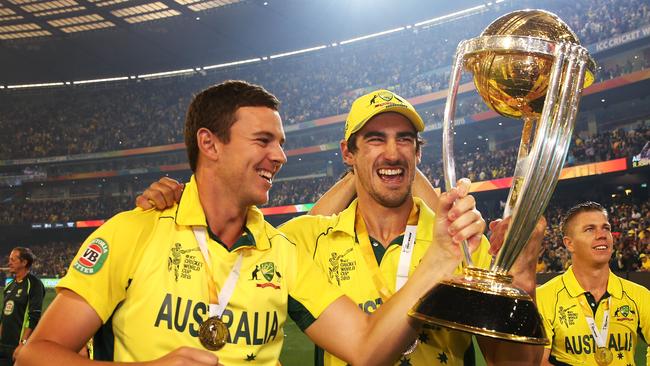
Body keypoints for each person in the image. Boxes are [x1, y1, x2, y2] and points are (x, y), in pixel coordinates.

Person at [19, 81, 484, 366]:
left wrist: (439, 257)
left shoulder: (283, 252)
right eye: (263, 140)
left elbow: (365, 349)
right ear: (211, 143)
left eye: (280, 142)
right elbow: (34, 354)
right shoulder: (133, 231)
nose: (280, 155)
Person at [137, 89, 544, 365]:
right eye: (374, 139)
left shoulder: (461, 243)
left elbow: (512, 363)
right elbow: (226, 229)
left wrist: (523, 281)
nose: (393, 152)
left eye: (405, 140)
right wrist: (179, 196)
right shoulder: (305, 240)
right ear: (347, 153)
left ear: (418, 153)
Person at [536, 202, 650, 365]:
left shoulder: (639, 295)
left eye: (606, 228)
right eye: (590, 229)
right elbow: (539, 362)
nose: (602, 234)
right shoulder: (544, 297)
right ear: (569, 243)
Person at [0, 247, 45, 365]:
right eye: (9, 259)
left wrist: (23, 343)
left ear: (24, 262)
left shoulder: (34, 284)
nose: (9, 262)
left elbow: (34, 316)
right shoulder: (9, 285)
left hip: (19, 346)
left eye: (13, 260)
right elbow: (4, 316)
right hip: (3, 345)